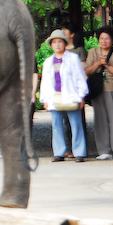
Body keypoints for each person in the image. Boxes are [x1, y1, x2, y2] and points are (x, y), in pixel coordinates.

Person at [40, 29, 88, 162]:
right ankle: (59, 152)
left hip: (71, 95)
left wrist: (81, 95)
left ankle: (79, 152)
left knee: (76, 124)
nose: (57, 45)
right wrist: (45, 99)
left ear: (65, 43)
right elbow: (45, 81)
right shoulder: (48, 62)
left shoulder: (73, 58)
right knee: (56, 125)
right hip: (55, 96)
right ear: (51, 45)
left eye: (60, 42)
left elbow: (80, 77)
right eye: (54, 42)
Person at [84, 26, 113, 160]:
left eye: (107, 38)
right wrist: (98, 63)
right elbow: (86, 71)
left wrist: (107, 65)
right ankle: (104, 150)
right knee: (99, 120)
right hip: (97, 89)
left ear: (112, 40)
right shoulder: (93, 52)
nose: (104, 41)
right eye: (101, 38)